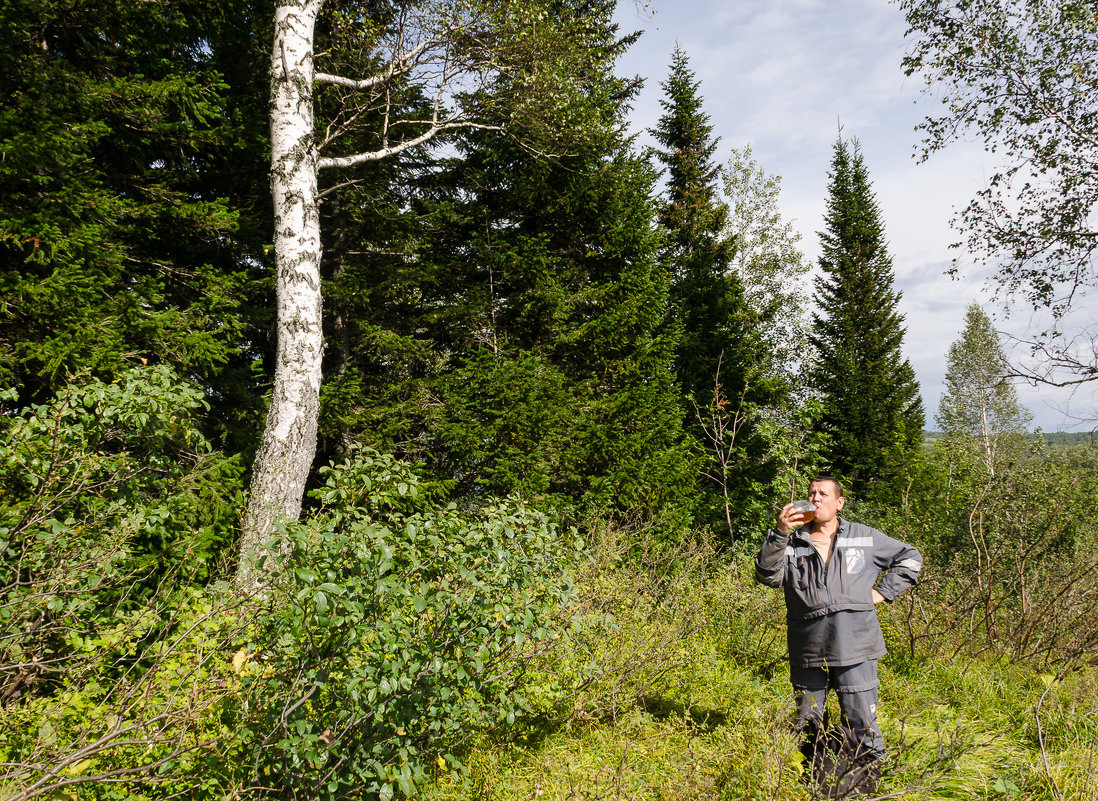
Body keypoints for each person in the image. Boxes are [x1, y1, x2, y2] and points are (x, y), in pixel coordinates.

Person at [755, 477, 922, 791]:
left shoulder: (864, 537)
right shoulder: (791, 541)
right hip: (808, 646)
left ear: (839, 503)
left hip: (855, 644)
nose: (816, 499)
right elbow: (767, 575)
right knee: (807, 719)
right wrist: (780, 532)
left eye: (823, 494)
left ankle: (869, 785)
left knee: (861, 720)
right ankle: (808, 783)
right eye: (811, 493)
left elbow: (910, 557)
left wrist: (884, 592)